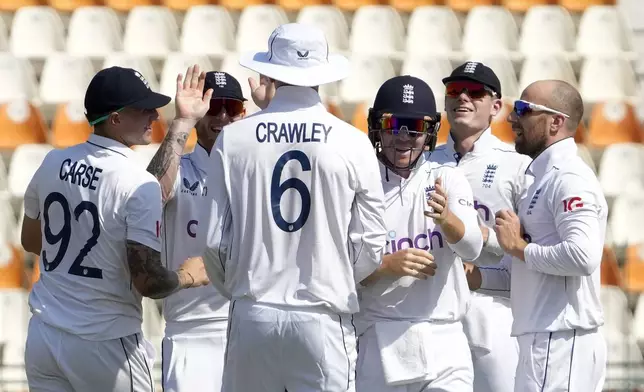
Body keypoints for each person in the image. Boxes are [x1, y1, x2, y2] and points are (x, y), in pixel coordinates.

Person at [199, 23, 388, 392]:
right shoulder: (352, 142)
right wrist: (337, 276)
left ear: (269, 72)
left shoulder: (234, 138)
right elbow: (371, 243)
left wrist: (238, 288)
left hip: (254, 310)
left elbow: (213, 241)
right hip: (324, 315)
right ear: (323, 71)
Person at [20, 65, 210, 392]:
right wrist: (188, 276)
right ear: (116, 118)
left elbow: (31, 241)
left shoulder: (52, 161)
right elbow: (149, 282)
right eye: (143, 108)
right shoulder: (137, 182)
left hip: (45, 337)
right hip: (106, 344)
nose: (154, 114)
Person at [470, 80, 607, 392]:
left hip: (559, 338)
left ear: (556, 121)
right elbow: (523, 271)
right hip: (545, 338)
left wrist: (519, 247)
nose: (511, 118)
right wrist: (473, 276)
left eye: (523, 109)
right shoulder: (541, 180)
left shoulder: (569, 178)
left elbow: (582, 257)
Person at [355, 75, 483, 392]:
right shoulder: (358, 182)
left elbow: (472, 249)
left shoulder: (447, 178)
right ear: (376, 125)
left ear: (429, 130)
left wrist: (447, 219)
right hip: (378, 336)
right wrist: (385, 266)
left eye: (414, 126)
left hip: (445, 338)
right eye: (393, 123)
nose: (403, 135)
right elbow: (338, 270)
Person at [431, 61, 531, 392]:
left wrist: (483, 249)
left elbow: (527, 245)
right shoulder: (423, 164)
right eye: (454, 91)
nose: (463, 98)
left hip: (494, 310)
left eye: (474, 92)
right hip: (433, 311)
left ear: (496, 107)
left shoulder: (517, 165)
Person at [146, 71, 247, 392]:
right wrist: (183, 121)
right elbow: (151, 195)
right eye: (213, 106)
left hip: (249, 325)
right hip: (192, 328)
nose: (221, 115)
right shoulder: (183, 168)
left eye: (230, 107)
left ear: (242, 113)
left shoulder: (257, 170)